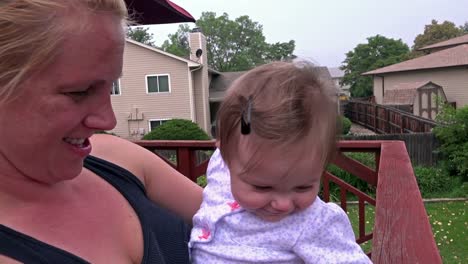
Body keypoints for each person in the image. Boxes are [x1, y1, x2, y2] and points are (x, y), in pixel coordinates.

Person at [0, 1, 202, 263]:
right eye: (79, 92)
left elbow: (247, 221)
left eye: (110, 87)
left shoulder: (118, 160)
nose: (108, 120)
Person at [189, 61, 372, 263]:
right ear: (225, 157)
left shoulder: (314, 223)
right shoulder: (222, 166)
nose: (283, 204)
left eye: (303, 187)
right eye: (263, 187)